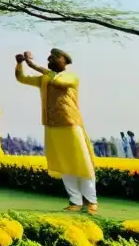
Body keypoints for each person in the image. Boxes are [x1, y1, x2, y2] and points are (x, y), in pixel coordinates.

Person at [15, 49, 97, 214]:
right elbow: (22, 78)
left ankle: (91, 202)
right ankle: (75, 201)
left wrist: (33, 64)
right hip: (52, 125)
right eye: (49, 57)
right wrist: (20, 64)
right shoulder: (45, 78)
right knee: (64, 164)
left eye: (53, 57)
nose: (49, 58)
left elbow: (58, 83)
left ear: (64, 60)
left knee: (82, 163)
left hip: (71, 123)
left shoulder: (71, 77)